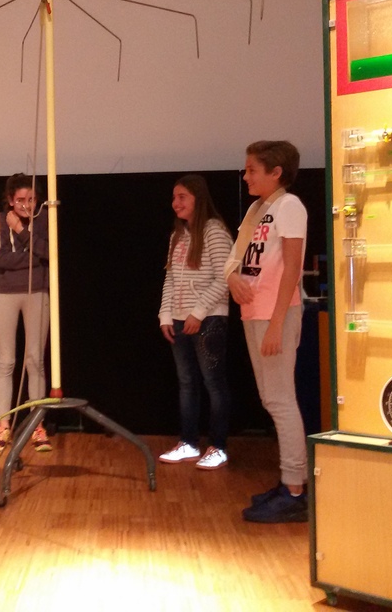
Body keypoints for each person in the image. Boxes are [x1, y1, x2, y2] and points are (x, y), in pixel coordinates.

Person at [224, 140, 308, 523]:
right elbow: (235, 258)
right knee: (270, 398)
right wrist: (232, 278)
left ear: (276, 172)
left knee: (280, 399)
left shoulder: (289, 206)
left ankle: (295, 490)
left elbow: (292, 268)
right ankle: (288, 482)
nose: (246, 177)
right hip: (254, 313)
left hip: (277, 315)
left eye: (252, 170)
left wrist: (277, 323)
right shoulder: (258, 209)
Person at [157, 174, 234, 470]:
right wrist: (166, 314)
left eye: (182, 197)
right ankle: (188, 442)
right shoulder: (178, 235)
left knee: (213, 383)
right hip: (180, 319)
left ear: (198, 199)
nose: (175, 203)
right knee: (187, 383)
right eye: (174, 197)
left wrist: (198, 312)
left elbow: (224, 278)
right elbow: (170, 277)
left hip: (209, 320)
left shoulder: (214, 231)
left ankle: (218, 446)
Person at [0, 173, 52, 453]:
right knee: (6, 361)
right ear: (10, 200)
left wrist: (22, 232)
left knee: (35, 360)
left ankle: (37, 425)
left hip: (37, 292)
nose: (27, 205)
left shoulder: (45, 219)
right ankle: (3, 426)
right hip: (4, 294)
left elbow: (48, 252)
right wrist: (30, 255)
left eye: (32, 199)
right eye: (21, 200)